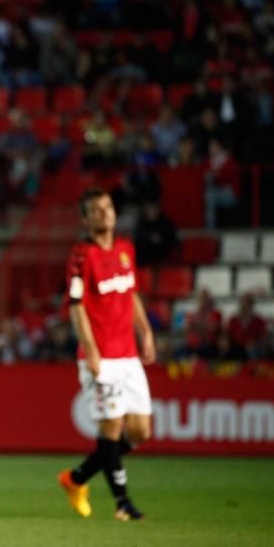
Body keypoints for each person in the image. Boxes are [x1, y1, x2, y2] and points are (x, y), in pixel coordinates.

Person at [58, 188, 155, 522]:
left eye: (108, 207)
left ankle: (77, 478)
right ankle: (123, 504)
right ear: (85, 219)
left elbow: (132, 294)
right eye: (96, 210)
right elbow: (76, 307)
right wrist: (92, 350)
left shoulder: (126, 248)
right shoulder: (81, 256)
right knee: (111, 430)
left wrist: (146, 331)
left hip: (128, 355)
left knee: (140, 431)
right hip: (101, 357)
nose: (104, 213)